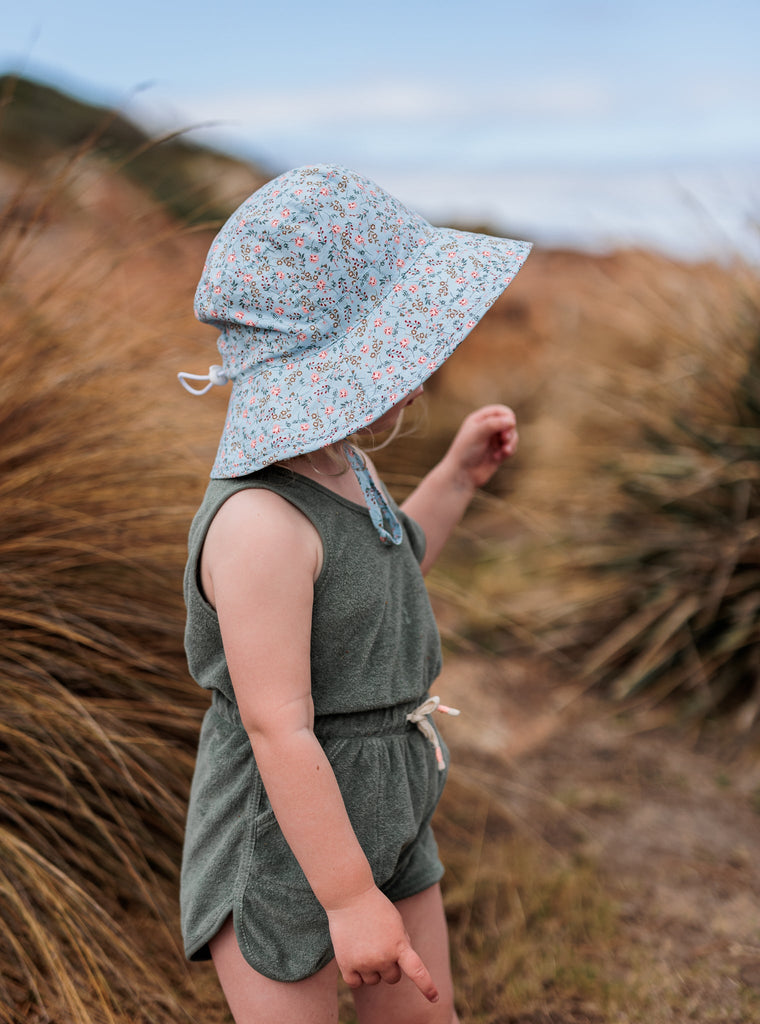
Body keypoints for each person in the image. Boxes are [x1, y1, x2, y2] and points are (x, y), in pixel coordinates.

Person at [177, 164, 531, 1024]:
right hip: (282, 838)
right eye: (402, 351)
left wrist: (455, 478)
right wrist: (344, 897)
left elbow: (392, 562)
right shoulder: (260, 524)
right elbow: (277, 725)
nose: (421, 372)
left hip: (390, 802)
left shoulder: (345, 469)